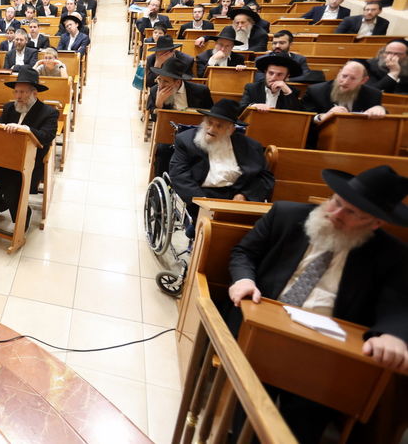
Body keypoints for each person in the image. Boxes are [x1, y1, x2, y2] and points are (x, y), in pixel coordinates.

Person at [227, 166, 408, 442]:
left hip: (325, 351)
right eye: (336, 202)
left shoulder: (391, 254)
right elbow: (244, 253)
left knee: (305, 414)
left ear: (375, 223)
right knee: (249, 400)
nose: (335, 215)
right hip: (262, 327)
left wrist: (393, 335)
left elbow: (398, 304)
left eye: (351, 213)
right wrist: (244, 280)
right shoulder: (287, 215)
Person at [0, 68, 59, 228]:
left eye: (23, 92)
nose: (18, 96)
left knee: (10, 185)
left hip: (28, 162)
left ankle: (21, 213)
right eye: (16, 92)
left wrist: (25, 129)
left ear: (34, 93)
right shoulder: (10, 107)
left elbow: (47, 136)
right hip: (2, 157)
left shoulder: (48, 112)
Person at [169, 99, 274, 233]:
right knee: (218, 231)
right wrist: (202, 202)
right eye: (209, 123)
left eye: (219, 126)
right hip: (202, 195)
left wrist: (245, 195)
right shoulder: (185, 141)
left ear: (231, 129)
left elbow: (265, 178)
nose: (212, 129)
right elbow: (179, 174)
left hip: (237, 197)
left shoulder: (251, 146)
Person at [302, 60, 387, 124]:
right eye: (344, 76)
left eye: (353, 78)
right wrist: (322, 116)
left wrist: (380, 109)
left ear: (363, 80)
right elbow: (304, 119)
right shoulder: (316, 91)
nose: (345, 82)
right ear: (339, 73)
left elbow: (382, 119)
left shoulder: (373, 94)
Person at [147, 56, 213, 116]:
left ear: (178, 82)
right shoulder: (155, 91)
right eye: (159, 79)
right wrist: (159, 105)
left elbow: (210, 114)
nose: (161, 85)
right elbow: (155, 120)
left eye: (166, 81)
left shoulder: (201, 91)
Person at [238, 54, 304, 112]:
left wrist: (288, 92)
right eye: (271, 73)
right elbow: (240, 109)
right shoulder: (252, 88)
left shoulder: (291, 91)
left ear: (287, 76)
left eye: (279, 74)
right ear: (265, 72)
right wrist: (253, 106)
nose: (273, 78)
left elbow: (297, 115)